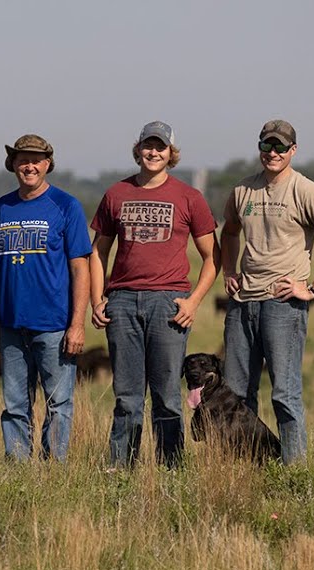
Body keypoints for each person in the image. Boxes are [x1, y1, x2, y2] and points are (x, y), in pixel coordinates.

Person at [219, 119, 314, 464]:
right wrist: (229, 270)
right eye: (268, 145)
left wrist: (312, 288)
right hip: (242, 304)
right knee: (236, 393)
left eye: (281, 147)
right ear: (259, 147)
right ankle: (244, 467)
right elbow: (230, 232)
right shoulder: (242, 190)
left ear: (293, 151)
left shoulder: (305, 190)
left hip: (283, 305)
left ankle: (294, 470)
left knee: (284, 393)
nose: (273, 153)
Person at [89, 121, 218, 469]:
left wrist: (193, 301)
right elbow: (97, 252)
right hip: (123, 302)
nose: (153, 152)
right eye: (148, 145)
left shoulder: (190, 197)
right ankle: (120, 469)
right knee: (127, 397)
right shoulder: (116, 194)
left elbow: (212, 258)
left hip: (169, 303)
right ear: (138, 149)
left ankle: (171, 469)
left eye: (161, 147)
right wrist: (97, 299)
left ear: (171, 153)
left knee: (167, 396)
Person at [0, 134, 92, 462]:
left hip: (53, 325)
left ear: (48, 164)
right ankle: (19, 470)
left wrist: (76, 324)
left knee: (58, 404)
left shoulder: (66, 205)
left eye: (36, 160)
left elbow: (80, 268)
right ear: (13, 165)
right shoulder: (3, 206)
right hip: (11, 326)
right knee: (16, 405)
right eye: (22, 160)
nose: (29, 166)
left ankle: (53, 470)